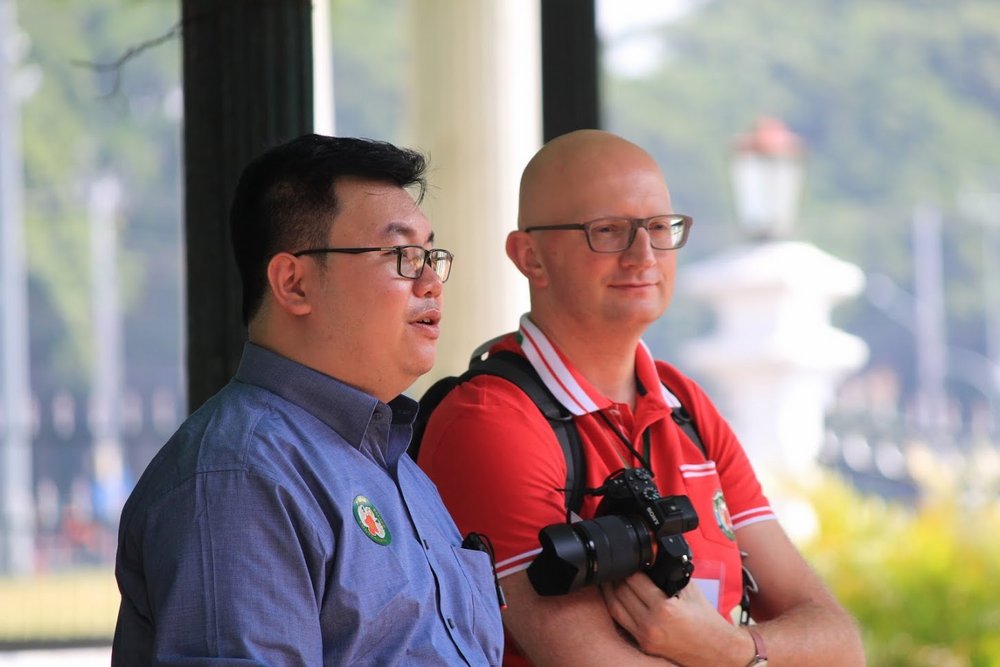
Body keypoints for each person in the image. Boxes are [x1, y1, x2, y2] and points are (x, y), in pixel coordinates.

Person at [418, 129, 864, 666]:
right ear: (529, 256)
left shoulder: (685, 406)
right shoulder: (490, 420)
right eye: (608, 231)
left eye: (658, 228)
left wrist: (729, 648)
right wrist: (746, 656)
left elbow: (839, 645)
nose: (643, 255)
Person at [113, 134, 503, 666]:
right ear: (294, 283)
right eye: (403, 256)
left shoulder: (393, 462)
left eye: (431, 255)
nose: (432, 282)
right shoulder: (241, 475)